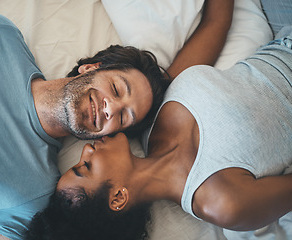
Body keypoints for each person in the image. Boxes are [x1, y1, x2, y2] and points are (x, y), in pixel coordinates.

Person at [0, 0, 232, 238]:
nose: (111, 108)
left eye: (124, 117)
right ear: (91, 68)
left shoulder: (34, 197)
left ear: (111, 134)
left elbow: (180, 83)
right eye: (116, 89)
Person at [25, 3, 292, 240]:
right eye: (86, 166)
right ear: (118, 197)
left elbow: (215, 23)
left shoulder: (146, 115)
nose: (86, 149)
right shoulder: (221, 202)